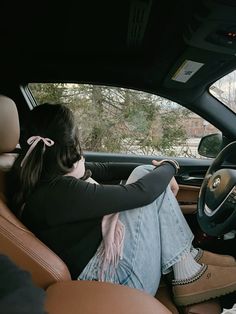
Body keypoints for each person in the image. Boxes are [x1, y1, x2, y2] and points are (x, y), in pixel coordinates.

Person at [6, 103, 236, 307]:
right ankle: (188, 271)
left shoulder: (29, 173)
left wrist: (159, 168)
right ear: (70, 144)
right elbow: (142, 193)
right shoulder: (58, 192)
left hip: (105, 269)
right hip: (117, 280)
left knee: (144, 172)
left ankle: (188, 263)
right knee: (144, 182)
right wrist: (170, 166)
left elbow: (104, 168)